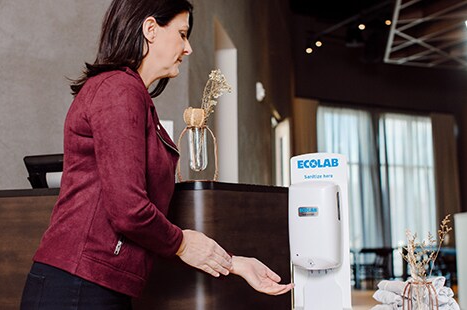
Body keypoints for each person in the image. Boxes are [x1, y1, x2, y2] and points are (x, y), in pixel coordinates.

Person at [20, 0, 293, 308]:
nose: (188, 48)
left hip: (88, 284)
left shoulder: (128, 92)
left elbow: (150, 225)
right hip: (77, 287)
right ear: (150, 29)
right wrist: (183, 243)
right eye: (182, 33)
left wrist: (234, 264)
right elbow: (129, 210)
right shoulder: (119, 89)